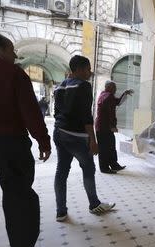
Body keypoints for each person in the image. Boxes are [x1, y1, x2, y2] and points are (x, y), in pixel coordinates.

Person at [0, 30, 51, 247]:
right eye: (12, 50)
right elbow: (31, 112)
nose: (15, 56)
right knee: (18, 194)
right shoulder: (13, 73)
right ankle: (23, 245)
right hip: (9, 143)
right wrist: (43, 141)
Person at [53, 55, 115, 222]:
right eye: (88, 69)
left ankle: (61, 211)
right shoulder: (83, 86)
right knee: (88, 168)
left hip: (59, 132)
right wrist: (93, 140)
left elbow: (56, 112)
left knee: (61, 171)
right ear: (79, 69)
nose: (90, 72)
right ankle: (94, 204)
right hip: (76, 136)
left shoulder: (59, 87)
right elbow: (86, 116)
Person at [95, 81, 133, 173]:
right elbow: (111, 114)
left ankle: (114, 164)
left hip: (101, 127)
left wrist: (124, 94)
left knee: (110, 146)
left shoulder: (104, 94)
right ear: (109, 87)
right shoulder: (108, 96)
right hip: (105, 127)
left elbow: (117, 102)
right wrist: (113, 126)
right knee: (105, 148)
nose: (115, 89)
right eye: (114, 87)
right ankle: (104, 168)